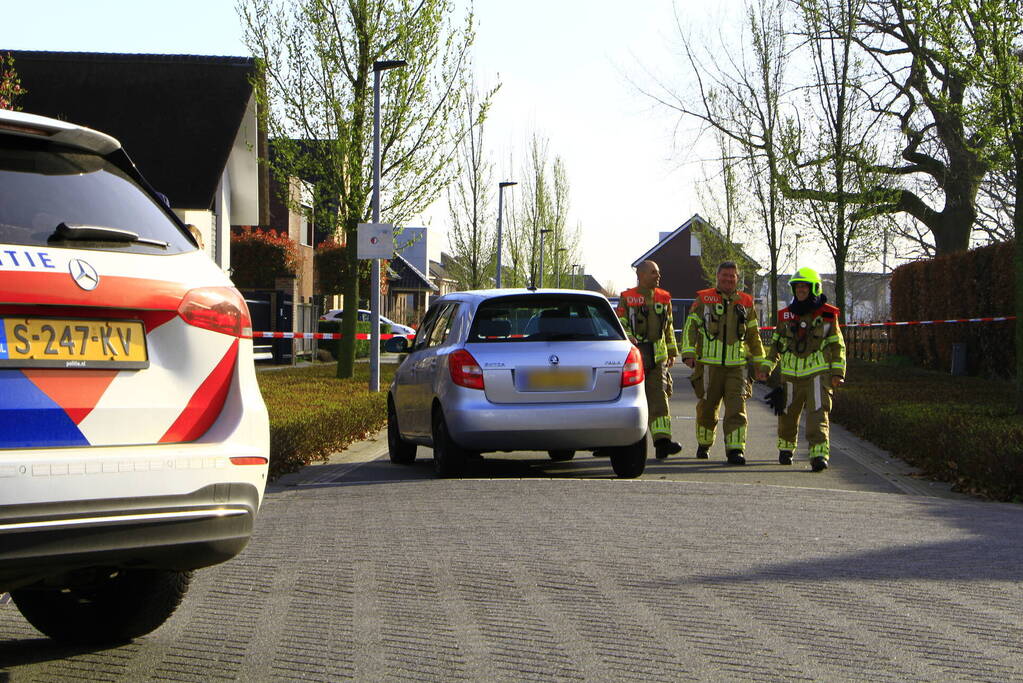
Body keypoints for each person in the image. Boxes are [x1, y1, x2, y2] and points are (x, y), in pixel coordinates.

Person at [680, 261, 766, 465]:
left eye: (732, 276)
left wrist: (761, 362)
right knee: (708, 407)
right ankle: (704, 443)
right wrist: (688, 353)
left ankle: (735, 450)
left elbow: (754, 334)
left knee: (737, 408)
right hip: (709, 366)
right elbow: (690, 326)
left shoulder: (746, 302)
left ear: (738, 279)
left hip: (737, 367)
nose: (728, 279)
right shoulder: (703, 299)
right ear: (717, 277)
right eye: (725, 276)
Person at [761, 267, 846, 472]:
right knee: (787, 416)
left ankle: (818, 454)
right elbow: (776, 346)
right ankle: (786, 449)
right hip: (790, 376)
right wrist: (766, 367)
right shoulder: (785, 315)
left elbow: (837, 345)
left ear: (813, 288)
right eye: (797, 286)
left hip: (817, 376)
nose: (800, 290)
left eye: (804, 286)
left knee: (817, 415)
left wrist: (837, 373)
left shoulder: (827, 315)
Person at [616, 260, 682, 459]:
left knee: (659, 398)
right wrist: (629, 336)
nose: (658, 276)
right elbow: (621, 322)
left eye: (658, 272)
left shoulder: (664, 298)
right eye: (654, 272)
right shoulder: (627, 298)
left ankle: (663, 442)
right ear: (641, 275)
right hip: (635, 357)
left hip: (658, 358)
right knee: (629, 400)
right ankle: (616, 442)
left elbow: (668, 327)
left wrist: (672, 352)